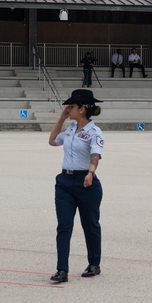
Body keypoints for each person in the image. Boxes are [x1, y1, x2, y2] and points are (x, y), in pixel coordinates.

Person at [48, 88, 105, 284]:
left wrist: (91, 172)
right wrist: (61, 119)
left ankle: (94, 263)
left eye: (71, 106)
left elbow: (95, 154)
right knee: (64, 225)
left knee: (90, 225)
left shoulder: (94, 132)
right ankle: (61, 269)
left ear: (82, 109)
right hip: (65, 182)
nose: (68, 108)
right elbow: (53, 141)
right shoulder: (70, 128)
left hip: (86, 182)